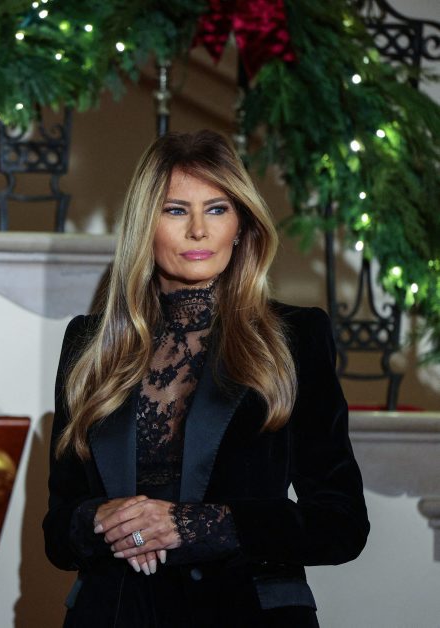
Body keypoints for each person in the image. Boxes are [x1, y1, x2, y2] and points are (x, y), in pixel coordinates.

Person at [43, 130, 368, 627]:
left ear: (240, 225)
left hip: (245, 614)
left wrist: (193, 525)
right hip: (114, 614)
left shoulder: (294, 337)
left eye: (217, 209)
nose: (199, 230)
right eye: (175, 211)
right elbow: (58, 531)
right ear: (145, 226)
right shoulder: (89, 344)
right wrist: (97, 520)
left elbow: (341, 523)